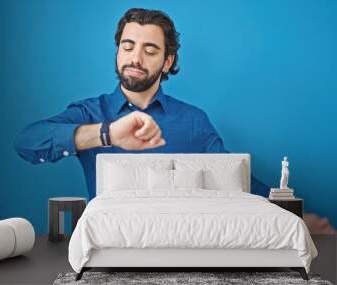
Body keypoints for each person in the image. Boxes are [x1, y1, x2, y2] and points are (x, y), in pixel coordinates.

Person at [14, 8, 269, 200]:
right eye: (128, 47)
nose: (135, 58)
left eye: (149, 50)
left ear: (167, 62)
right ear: (118, 52)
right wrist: (106, 133)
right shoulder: (89, 112)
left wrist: (287, 206)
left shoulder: (194, 121)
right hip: (110, 252)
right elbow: (27, 143)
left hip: (183, 248)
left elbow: (234, 177)